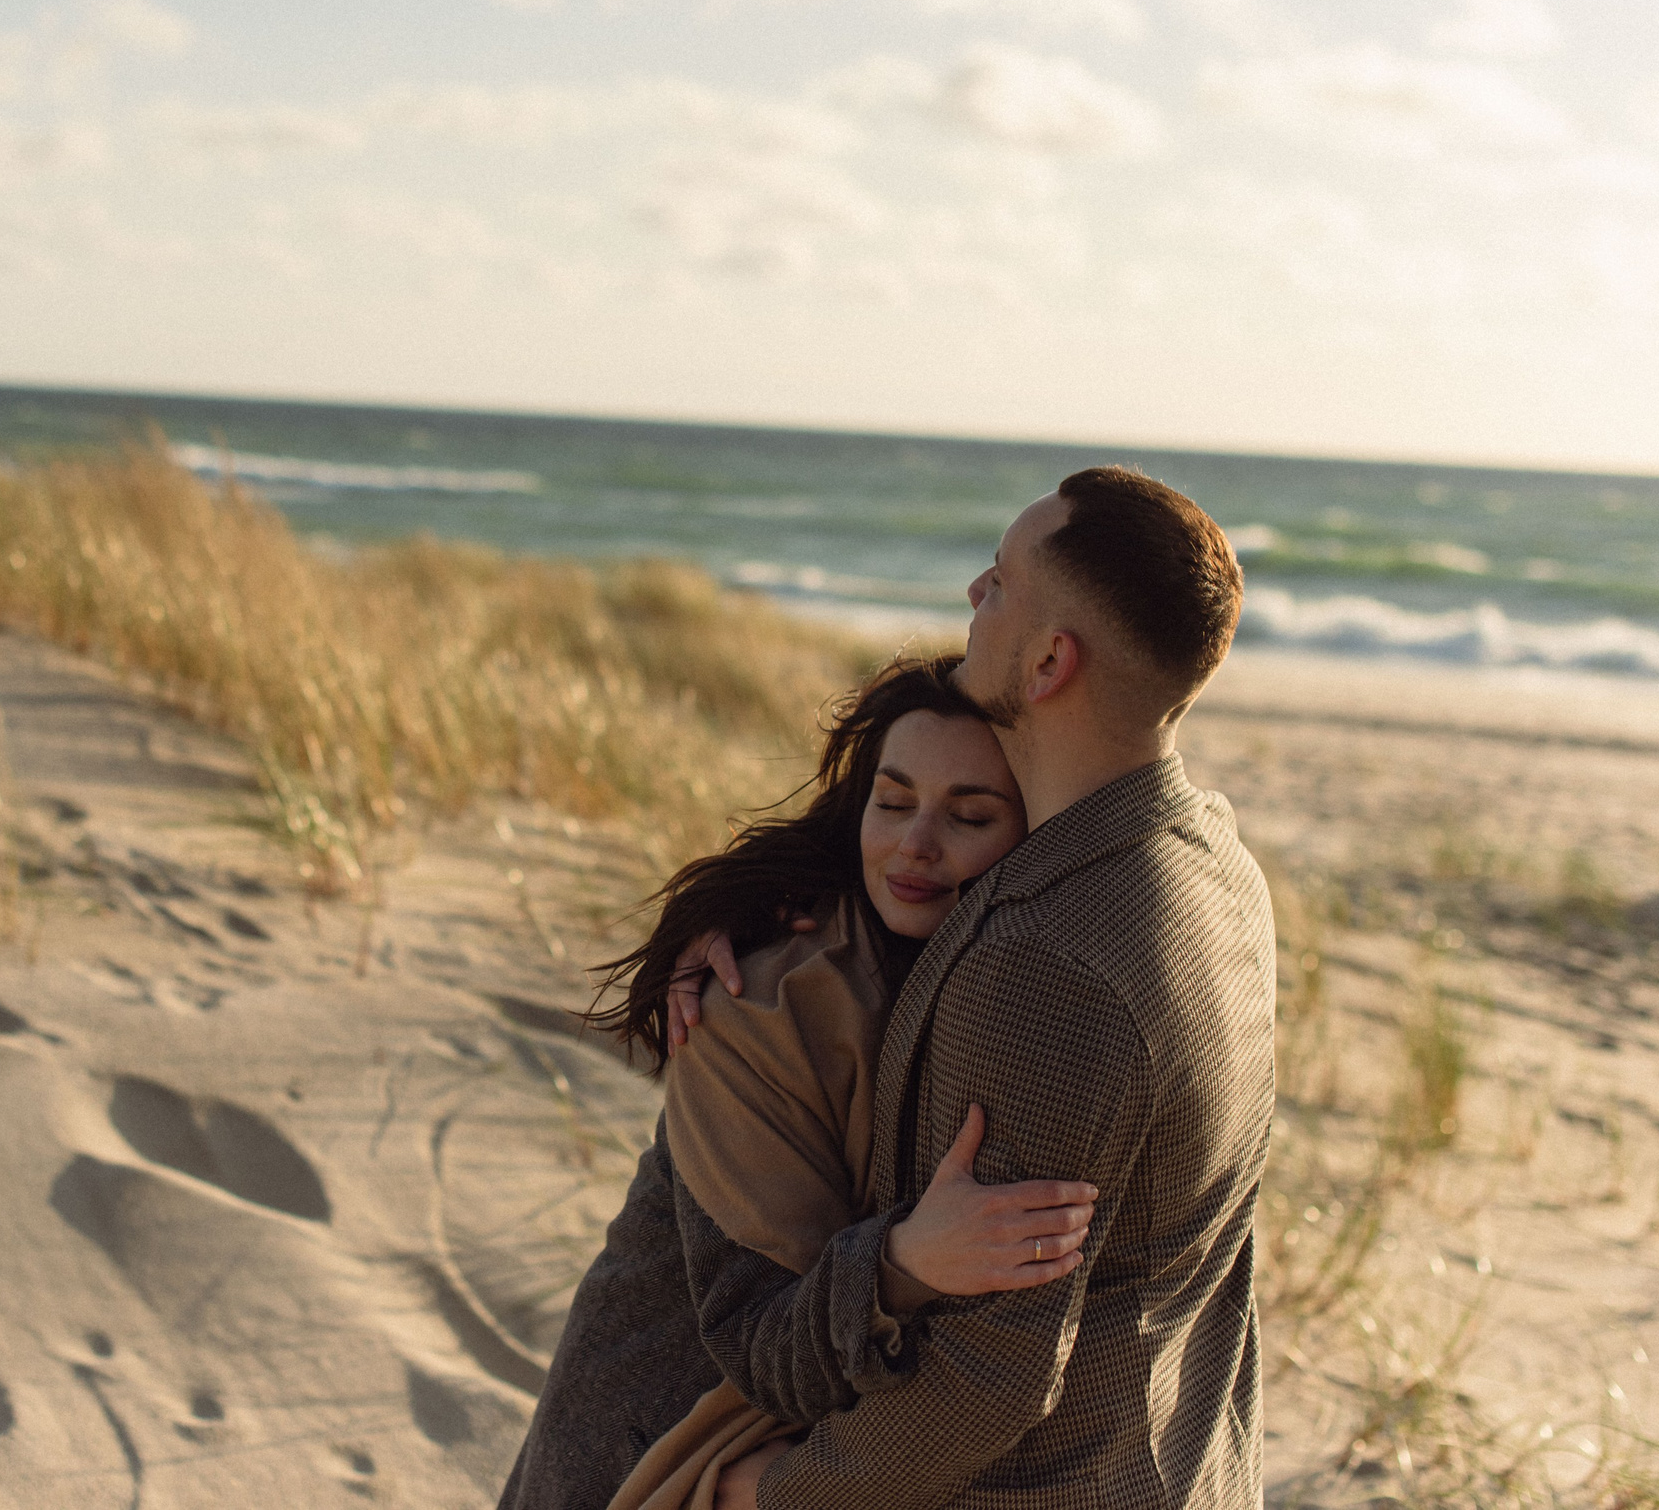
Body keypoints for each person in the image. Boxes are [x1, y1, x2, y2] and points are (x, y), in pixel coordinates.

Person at [676, 465, 1274, 1510]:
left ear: (1048, 661)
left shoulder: (1046, 962)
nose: (972, 596)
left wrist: (784, 1491)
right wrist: (763, 905)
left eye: (998, 581)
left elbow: (989, 1368)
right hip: (1190, 1468)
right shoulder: (1214, 860)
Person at [497, 656, 1100, 1510]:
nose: (916, 844)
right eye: (891, 803)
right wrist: (905, 1260)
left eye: (969, 815)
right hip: (650, 1427)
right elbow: (760, 1336)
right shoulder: (759, 995)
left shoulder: (999, 982)